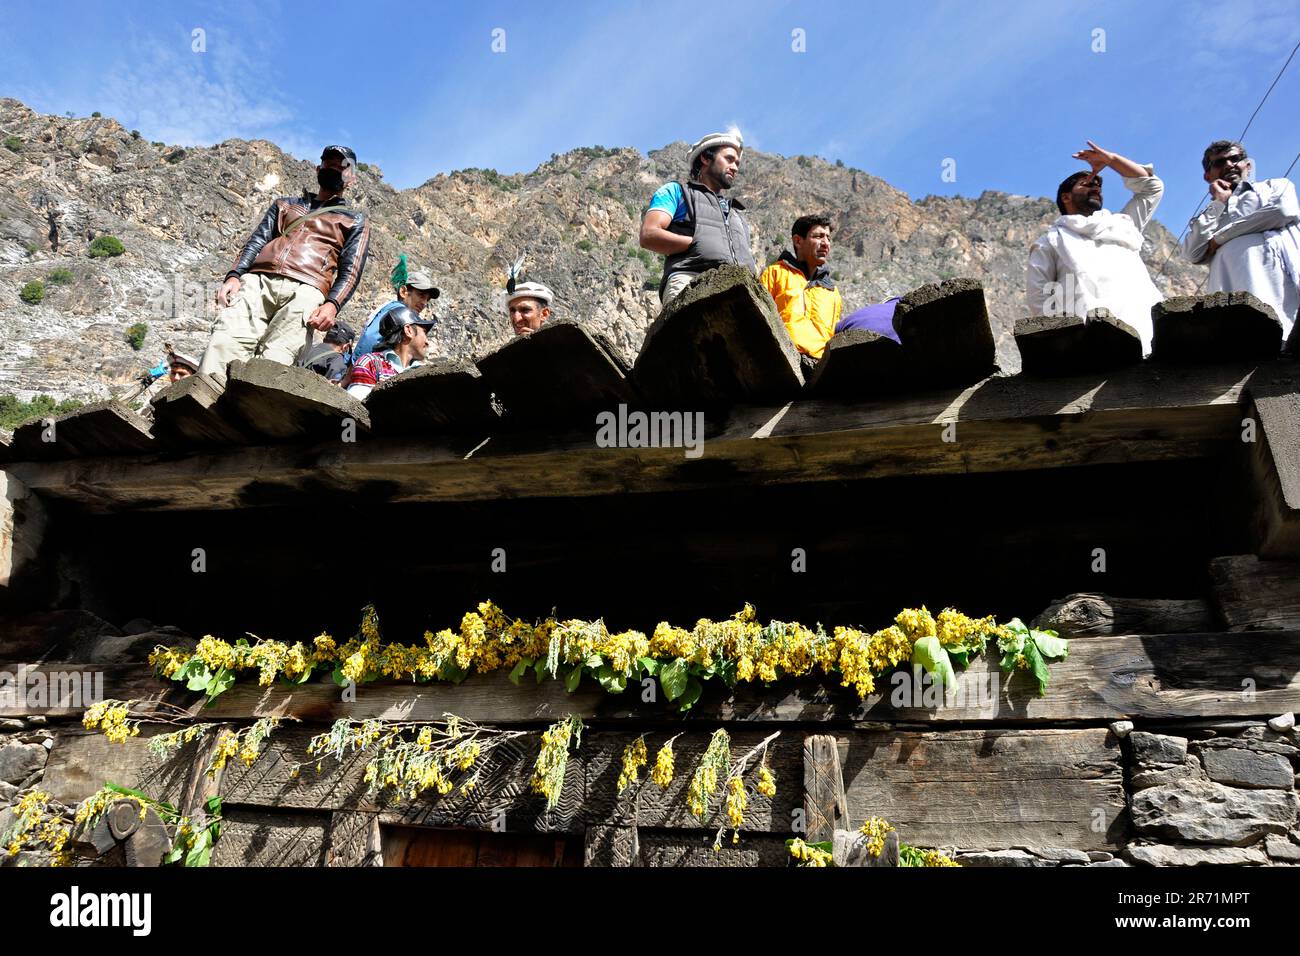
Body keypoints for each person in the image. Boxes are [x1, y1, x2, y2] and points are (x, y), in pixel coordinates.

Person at [198, 145, 371, 377]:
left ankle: (250, 409)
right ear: (317, 168)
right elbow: (256, 242)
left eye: (341, 167)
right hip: (258, 281)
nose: (334, 169)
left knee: (277, 357)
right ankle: (203, 405)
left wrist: (333, 304)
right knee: (223, 341)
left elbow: (351, 270)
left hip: (307, 290)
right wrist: (234, 275)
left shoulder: (354, 220)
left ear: (351, 179)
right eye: (329, 164)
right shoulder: (284, 205)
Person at [1025, 140, 1164, 353]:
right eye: (1086, 183)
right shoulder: (1051, 240)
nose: (1095, 187)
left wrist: (1111, 160)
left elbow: (1152, 188)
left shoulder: (1123, 224)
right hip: (1088, 348)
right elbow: (1040, 299)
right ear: (1066, 196)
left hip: (1146, 337)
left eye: (1098, 184)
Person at [1182, 141, 1299, 339]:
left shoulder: (1275, 186)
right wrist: (1218, 203)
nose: (1229, 165)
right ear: (1207, 176)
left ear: (1248, 165)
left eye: (1235, 159)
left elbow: (1282, 211)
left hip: (1278, 280)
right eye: (1219, 163)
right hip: (1232, 289)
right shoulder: (1211, 213)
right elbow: (1192, 253)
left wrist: (1220, 239)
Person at [639, 130, 756, 305]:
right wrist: (696, 243)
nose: (735, 167)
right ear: (705, 158)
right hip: (690, 281)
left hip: (740, 293)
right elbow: (649, 234)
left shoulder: (737, 214)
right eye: (729, 159)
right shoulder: (676, 191)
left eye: (737, 163)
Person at [760, 214, 843, 360]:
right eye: (818, 236)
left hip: (819, 368)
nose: (826, 243)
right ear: (798, 241)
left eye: (828, 238)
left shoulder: (832, 291)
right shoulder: (775, 273)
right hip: (781, 358)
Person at [351, 255, 440, 361]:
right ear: (403, 292)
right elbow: (370, 339)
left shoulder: (390, 309)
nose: (424, 303)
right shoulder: (398, 311)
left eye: (427, 299)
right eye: (421, 295)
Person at [343, 305, 433, 400]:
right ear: (408, 331)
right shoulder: (371, 364)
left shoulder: (423, 372)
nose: (427, 342)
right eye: (424, 332)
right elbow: (356, 407)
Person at [298, 319, 355, 384]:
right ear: (346, 346)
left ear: (325, 337)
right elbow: (331, 387)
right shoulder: (337, 360)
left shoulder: (307, 349)